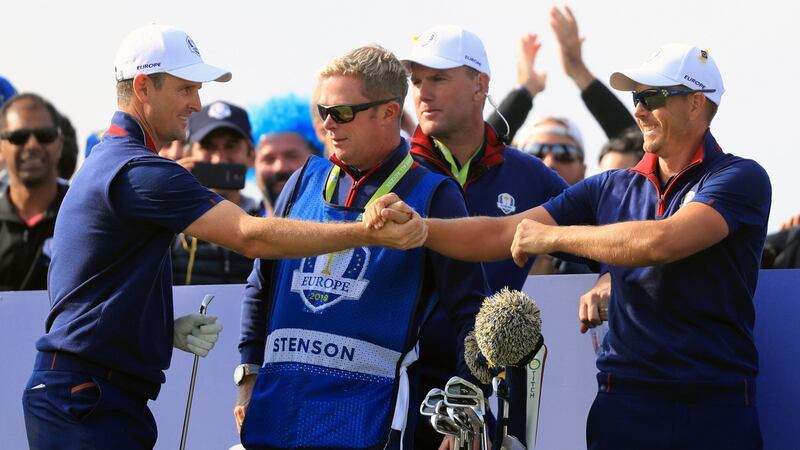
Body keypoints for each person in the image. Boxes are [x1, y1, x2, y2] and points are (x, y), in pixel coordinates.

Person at [21, 24, 426, 450]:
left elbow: (92, 290)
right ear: (143, 87)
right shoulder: (138, 171)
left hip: (86, 395)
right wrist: (366, 233)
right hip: (87, 399)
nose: (196, 104)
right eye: (185, 88)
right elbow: (249, 236)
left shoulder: (112, 160)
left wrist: (156, 328)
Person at [370, 43, 770, 450]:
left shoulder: (740, 178)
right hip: (623, 401)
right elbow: (500, 233)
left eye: (652, 98)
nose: (639, 111)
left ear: (696, 102)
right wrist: (421, 228)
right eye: (636, 98)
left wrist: (552, 237)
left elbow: (660, 241)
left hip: (711, 404)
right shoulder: (611, 185)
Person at [235, 45, 489, 450]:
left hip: (368, 423)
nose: (327, 124)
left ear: (388, 113)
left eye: (342, 112)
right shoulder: (303, 180)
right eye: (323, 111)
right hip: (279, 414)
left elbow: (472, 313)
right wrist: (248, 372)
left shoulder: (434, 194)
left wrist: (465, 407)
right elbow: (261, 284)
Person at [401, 24, 567, 447]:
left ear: (480, 85)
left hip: (489, 391)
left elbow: (599, 232)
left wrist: (605, 277)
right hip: (400, 392)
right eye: (417, 81)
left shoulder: (530, 175)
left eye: (438, 78)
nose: (423, 93)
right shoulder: (396, 172)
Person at [170, 100, 260, 285]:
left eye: (231, 146)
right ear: (188, 155)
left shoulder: (266, 217)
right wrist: (168, 194)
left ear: (251, 156)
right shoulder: (168, 222)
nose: (219, 159)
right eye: (208, 147)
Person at [0, 93, 67, 291]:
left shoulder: (88, 216)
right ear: (1, 148)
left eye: (44, 135)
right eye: (19, 137)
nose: (32, 145)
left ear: (60, 144)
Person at [248, 94, 323, 216]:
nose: (280, 168)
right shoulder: (236, 225)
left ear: (318, 156)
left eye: (292, 156)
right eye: (269, 159)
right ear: (252, 162)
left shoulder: (338, 220)